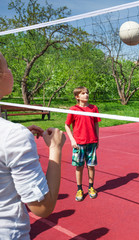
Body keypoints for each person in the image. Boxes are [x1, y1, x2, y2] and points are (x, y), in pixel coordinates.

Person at [0, 52, 66, 239]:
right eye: (6, 66)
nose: (11, 71)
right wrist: (55, 149)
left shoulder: (11, 137)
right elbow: (42, 208)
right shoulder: (12, 136)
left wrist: (13, 144)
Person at [65, 86, 101, 202]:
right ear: (77, 97)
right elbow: (67, 125)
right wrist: (72, 140)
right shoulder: (73, 109)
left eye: (87, 93)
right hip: (78, 143)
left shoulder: (93, 108)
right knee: (79, 167)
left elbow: (96, 124)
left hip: (91, 142)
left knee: (91, 166)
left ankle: (91, 187)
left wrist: (97, 138)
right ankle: (79, 189)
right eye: (83, 93)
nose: (86, 95)